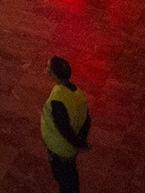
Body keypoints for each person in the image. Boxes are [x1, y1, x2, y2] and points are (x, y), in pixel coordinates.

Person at [41, 56, 91, 193]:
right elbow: (87, 118)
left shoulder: (57, 99)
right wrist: (81, 140)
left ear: (55, 75)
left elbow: (64, 129)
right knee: (69, 174)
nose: (46, 71)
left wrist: (78, 143)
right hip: (69, 146)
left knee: (65, 178)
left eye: (48, 69)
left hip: (60, 148)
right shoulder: (77, 92)